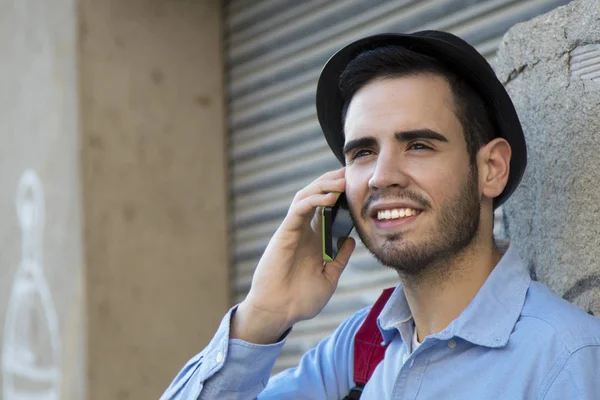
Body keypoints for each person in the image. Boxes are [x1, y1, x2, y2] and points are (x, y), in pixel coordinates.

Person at [161, 31, 600, 399]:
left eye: (419, 145)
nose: (381, 177)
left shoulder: (565, 359)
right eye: (363, 152)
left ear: (490, 169)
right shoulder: (359, 348)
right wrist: (262, 315)